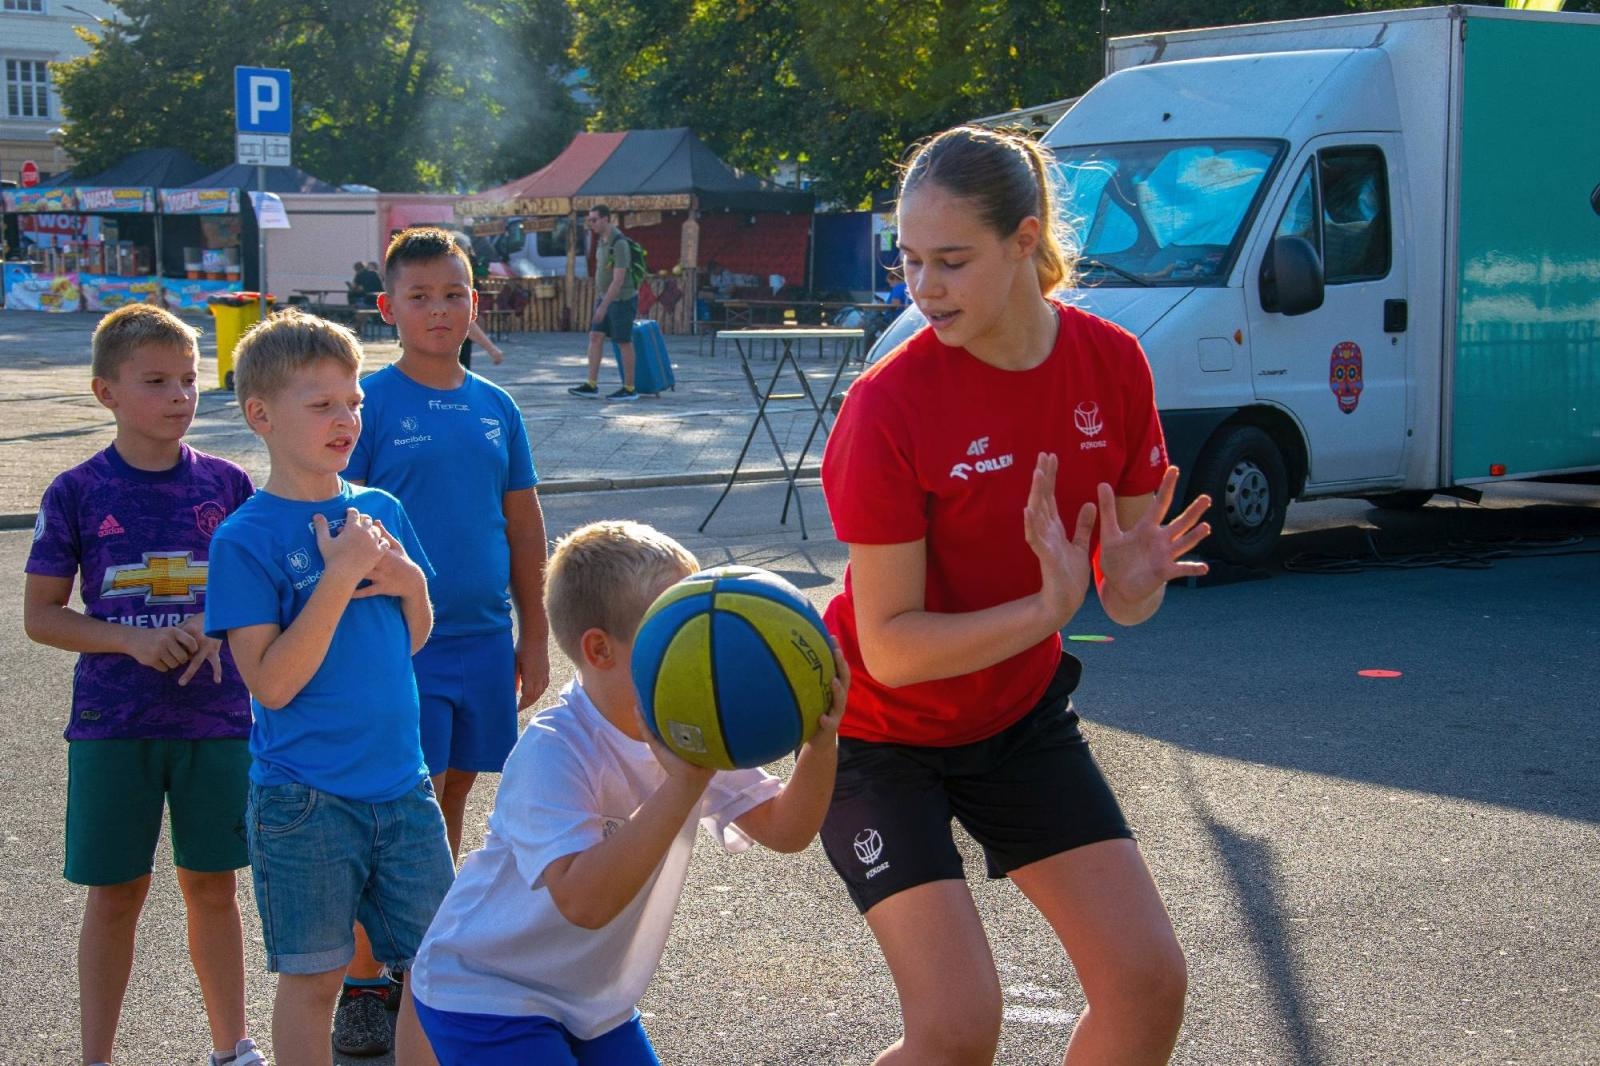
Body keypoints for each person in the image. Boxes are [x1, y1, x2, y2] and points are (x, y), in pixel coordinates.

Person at [817, 125, 1212, 1065]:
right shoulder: (888, 403)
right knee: (957, 1031)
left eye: (951, 261)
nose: (923, 288)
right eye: (910, 261)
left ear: (1025, 241)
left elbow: (1122, 594)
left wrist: (1134, 584)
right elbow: (892, 648)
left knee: (1147, 985)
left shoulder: (1112, 364)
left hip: (1016, 718)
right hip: (878, 734)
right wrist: (1044, 612)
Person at [408, 520, 845, 1064]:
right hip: (487, 988)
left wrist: (821, 741)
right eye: (678, 629)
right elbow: (584, 902)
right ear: (600, 650)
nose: (706, 648)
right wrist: (684, 784)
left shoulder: (692, 725)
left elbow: (787, 830)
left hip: (592, 1001)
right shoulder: (554, 749)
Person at [204, 310, 454, 1066]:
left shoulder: (381, 511)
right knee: (314, 983)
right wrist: (340, 576)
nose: (346, 419)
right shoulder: (244, 538)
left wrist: (410, 583)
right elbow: (272, 684)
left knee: (439, 973)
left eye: (353, 402)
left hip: (403, 787)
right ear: (261, 416)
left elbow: (413, 637)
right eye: (321, 405)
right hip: (305, 801)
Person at [22, 304, 265, 1066]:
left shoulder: (230, 485)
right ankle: (97, 1056)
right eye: (156, 381)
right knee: (116, 894)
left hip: (217, 722)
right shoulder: (76, 491)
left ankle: (233, 1047)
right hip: (113, 725)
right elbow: (41, 615)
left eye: (189, 379)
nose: (180, 396)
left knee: (214, 888)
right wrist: (132, 640)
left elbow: (263, 595)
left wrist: (217, 627)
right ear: (107, 393)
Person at [332, 225, 550, 1054]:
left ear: (474, 303)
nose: (439, 309)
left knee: (449, 795)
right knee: (390, 808)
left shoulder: (498, 408)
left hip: (484, 641)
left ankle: (424, 956)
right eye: (419, 296)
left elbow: (524, 530)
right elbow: (335, 520)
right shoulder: (368, 405)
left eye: (453, 294)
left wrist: (535, 637)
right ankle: (363, 978)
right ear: (386, 307)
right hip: (397, 646)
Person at [567, 204, 639, 401]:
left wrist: (603, 306)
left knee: (623, 341)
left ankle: (630, 388)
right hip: (604, 297)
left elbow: (618, 280)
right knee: (595, 336)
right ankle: (591, 384)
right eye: (589, 220)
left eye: (594, 220)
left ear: (606, 219)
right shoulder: (601, 241)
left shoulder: (619, 244)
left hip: (621, 299)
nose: (591, 224)